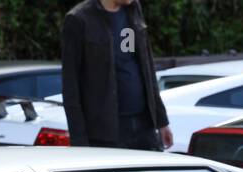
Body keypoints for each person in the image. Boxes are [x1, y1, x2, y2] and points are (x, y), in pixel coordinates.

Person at [61, 0, 171, 151]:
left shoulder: (132, 9)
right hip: (106, 134)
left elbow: (144, 66)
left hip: (144, 125)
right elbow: (70, 87)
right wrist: (80, 144)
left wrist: (162, 121)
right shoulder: (79, 19)